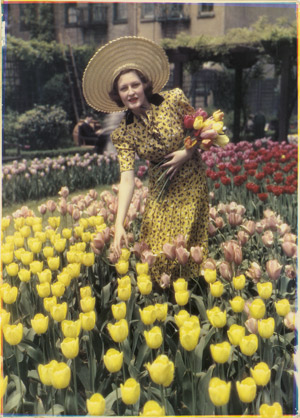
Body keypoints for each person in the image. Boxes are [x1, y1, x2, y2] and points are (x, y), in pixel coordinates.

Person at [82, 37, 209, 281]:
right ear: (118, 96)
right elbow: (127, 178)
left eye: (134, 85)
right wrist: (119, 224)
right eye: (124, 89)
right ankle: (162, 307)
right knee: (154, 254)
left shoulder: (173, 100)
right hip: (160, 192)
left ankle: (187, 300)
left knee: (182, 253)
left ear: (144, 85)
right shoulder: (123, 134)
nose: (130, 92)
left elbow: (201, 128)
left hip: (191, 184)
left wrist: (187, 152)